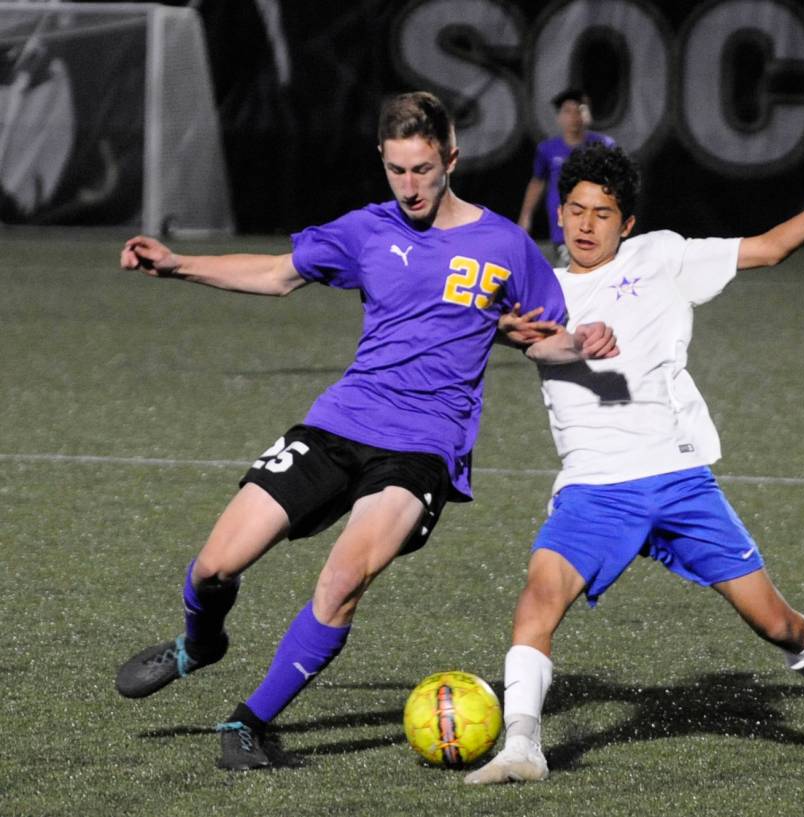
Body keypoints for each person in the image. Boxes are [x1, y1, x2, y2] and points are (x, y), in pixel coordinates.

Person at [114, 91, 619, 772]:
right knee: (214, 567)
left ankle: (248, 721)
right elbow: (276, 274)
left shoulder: (504, 243)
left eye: (422, 169)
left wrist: (579, 343)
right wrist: (178, 264)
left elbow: (541, 337)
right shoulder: (366, 230)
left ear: (451, 159)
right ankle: (199, 644)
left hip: (424, 448)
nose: (409, 186)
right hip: (339, 423)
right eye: (396, 170)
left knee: (343, 577)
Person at [467, 144, 804, 784]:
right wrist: (573, 342)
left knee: (775, 622)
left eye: (603, 214)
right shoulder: (542, 287)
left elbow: (769, 249)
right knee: (539, 598)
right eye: (577, 210)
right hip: (594, 486)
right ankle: (522, 746)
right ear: (559, 214)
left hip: (677, 478)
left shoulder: (662, 256)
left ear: (627, 224)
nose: (587, 225)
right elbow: (533, 344)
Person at [517, 89, 615, 265]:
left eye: (580, 110)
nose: (574, 117)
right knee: (567, 265)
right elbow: (537, 182)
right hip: (562, 225)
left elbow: (616, 182)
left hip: (596, 221)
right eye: (568, 111)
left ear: (589, 115)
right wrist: (526, 216)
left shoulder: (604, 146)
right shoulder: (547, 149)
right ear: (559, 117)